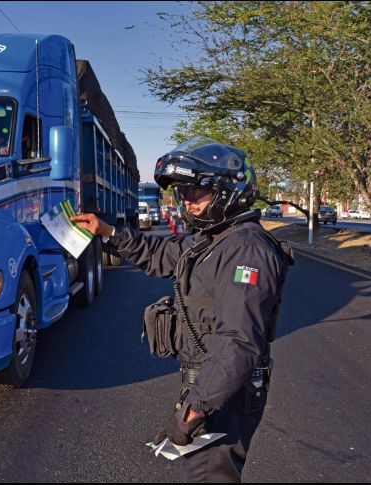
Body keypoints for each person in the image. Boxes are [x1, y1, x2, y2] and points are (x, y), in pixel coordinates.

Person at [71, 137, 293, 483]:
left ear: (226, 191)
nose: (188, 202)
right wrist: (109, 232)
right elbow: (161, 256)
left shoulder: (246, 250)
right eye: (183, 193)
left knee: (208, 476)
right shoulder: (216, 240)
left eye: (197, 193)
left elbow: (238, 342)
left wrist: (194, 410)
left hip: (225, 395)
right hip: (214, 386)